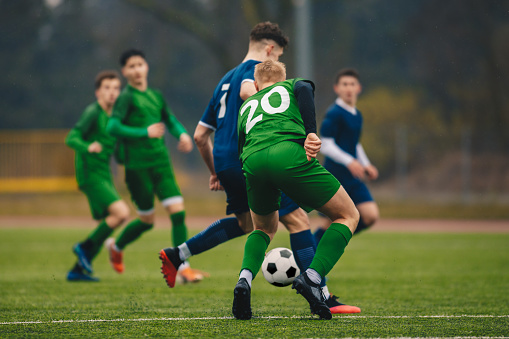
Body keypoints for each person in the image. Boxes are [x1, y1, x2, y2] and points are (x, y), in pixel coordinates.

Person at [159, 22, 358, 314]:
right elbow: (296, 91)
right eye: (277, 57)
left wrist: (215, 170)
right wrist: (309, 133)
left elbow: (201, 135)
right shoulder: (268, 79)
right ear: (270, 50)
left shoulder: (225, 79)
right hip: (277, 153)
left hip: (236, 161)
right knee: (303, 220)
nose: (276, 62)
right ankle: (320, 292)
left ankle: (182, 254)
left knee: (251, 225)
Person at [233, 60, 359, 320]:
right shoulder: (290, 85)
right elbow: (304, 88)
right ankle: (312, 278)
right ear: (282, 78)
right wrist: (311, 133)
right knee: (348, 215)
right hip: (287, 154)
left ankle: (244, 280)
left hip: (252, 161)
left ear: (256, 85)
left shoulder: (247, 105)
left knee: (264, 228)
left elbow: (241, 147)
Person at [106, 49, 203, 283]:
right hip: (137, 168)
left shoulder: (156, 96)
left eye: (140, 64)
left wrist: (182, 135)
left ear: (146, 67)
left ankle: (182, 266)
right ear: (124, 72)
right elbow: (112, 127)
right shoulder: (126, 98)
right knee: (147, 222)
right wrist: (144, 132)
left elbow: (169, 119)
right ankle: (116, 246)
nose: (137, 69)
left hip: (161, 164)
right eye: (131, 66)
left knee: (178, 213)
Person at [65, 70, 131, 282]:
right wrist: (88, 146)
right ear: (97, 92)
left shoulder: (114, 118)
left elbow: (119, 155)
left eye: (116, 88)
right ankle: (83, 248)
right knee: (121, 213)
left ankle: (77, 270)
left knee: (106, 222)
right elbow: (72, 137)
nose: (112, 93)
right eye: (107, 88)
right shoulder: (93, 112)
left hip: (104, 174)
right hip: (90, 174)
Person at [314, 68, 379, 244]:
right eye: (344, 84)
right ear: (337, 88)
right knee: (330, 222)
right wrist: (350, 161)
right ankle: (307, 257)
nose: (348, 88)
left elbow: (354, 143)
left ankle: (332, 243)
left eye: (352, 84)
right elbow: (325, 144)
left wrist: (366, 164)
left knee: (370, 216)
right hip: (335, 176)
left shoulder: (357, 115)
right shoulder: (334, 113)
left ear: (359, 88)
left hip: (353, 177)